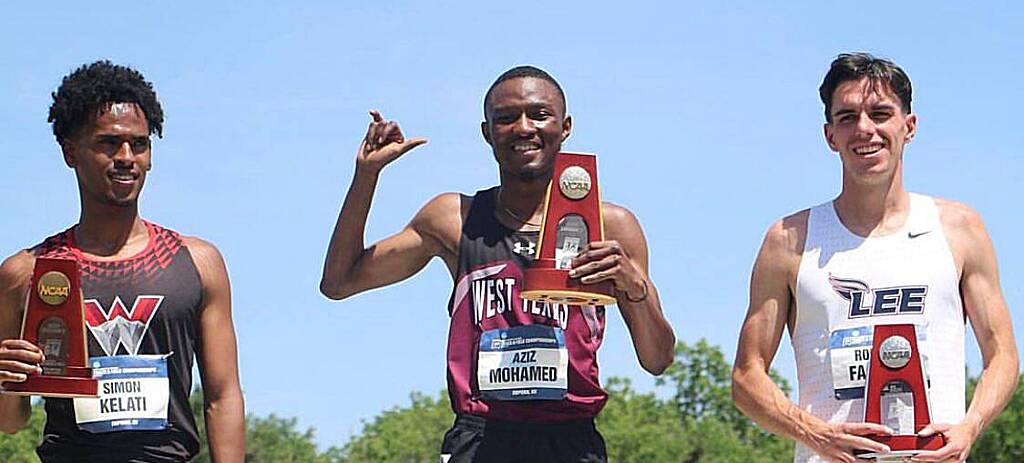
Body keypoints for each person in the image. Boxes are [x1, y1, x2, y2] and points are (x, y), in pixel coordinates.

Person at [321, 65, 675, 463]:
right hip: (480, 439)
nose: (523, 128)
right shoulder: (453, 218)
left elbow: (658, 359)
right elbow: (340, 281)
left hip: (571, 440)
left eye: (539, 115)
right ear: (487, 132)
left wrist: (634, 287)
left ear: (566, 127)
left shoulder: (611, 226)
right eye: (506, 118)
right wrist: (366, 175)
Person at [731, 52, 1019, 463]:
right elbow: (746, 377)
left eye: (880, 113)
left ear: (909, 126)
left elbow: (1003, 354)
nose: (864, 129)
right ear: (830, 135)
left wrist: (970, 425)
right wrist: (815, 433)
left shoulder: (959, 228)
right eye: (847, 117)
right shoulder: (788, 240)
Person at [0, 61, 245, 462]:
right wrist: (7, 380)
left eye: (140, 144)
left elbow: (222, 395)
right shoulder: (26, 272)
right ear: (70, 152)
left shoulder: (197, 262)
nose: (127, 157)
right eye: (109, 143)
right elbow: (10, 422)